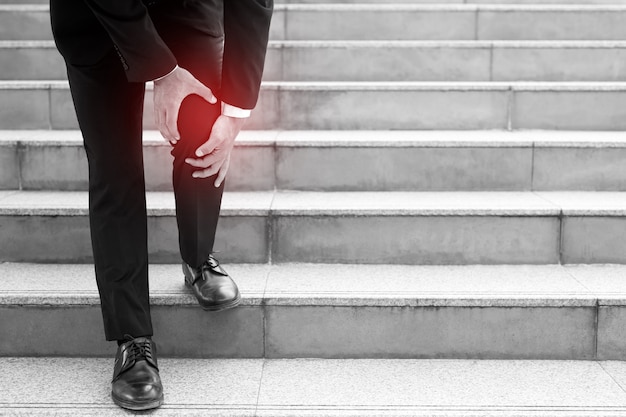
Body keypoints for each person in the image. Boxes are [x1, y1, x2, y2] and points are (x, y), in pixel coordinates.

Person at [49, 0, 273, 410]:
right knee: (115, 167)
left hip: (186, 6)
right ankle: (132, 339)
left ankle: (198, 257)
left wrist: (235, 114)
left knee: (206, 129)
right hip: (98, 15)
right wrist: (164, 72)